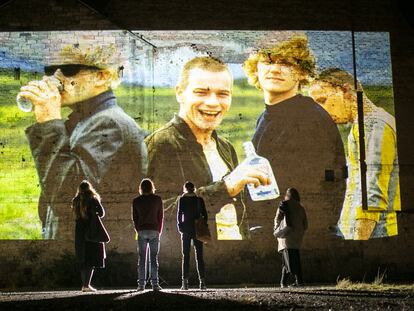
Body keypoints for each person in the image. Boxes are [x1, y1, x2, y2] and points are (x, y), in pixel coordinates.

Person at [18, 44, 147, 241]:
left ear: (102, 76)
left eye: (69, 69)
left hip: (91, 254)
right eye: (50, 70)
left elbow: (68, 198)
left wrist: (49, 121)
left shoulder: (108, 123)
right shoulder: (86, 120)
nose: (56, 77)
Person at [145, 56, 269, 247]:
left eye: (222, 94)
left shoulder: (225, 147)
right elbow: (154, 217)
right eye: (201, 92)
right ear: (180, 93)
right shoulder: (160, 144)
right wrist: (224, 189)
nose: (213, 103)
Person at [243, 35, 346, 237]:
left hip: (301, 241)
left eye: (286, 63)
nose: (275, 69)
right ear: (256, 69)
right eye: (268, 61)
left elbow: (321, 196)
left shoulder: (310, 118)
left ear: (301, 72)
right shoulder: (266, 116)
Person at [309, 68, 401, 240]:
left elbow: (371, 194)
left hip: (376, 236)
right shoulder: (365, 124)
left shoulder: (374, 125)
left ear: (346, 90)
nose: (320, 110)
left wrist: (358, 246)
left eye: (322, 100)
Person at [72, 180, 108, 292]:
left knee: (84, 261)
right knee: (91, 261)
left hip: (80, 233)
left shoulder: (75, 201)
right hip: (92, 233)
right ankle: (87, 285)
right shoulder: (93, 199)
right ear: (89, 188)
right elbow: (102, 213)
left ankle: (84, 285)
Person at [132, 178, 164, 291]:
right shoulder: (157, 199)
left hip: (141, 230)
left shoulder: (136, 201)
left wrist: (138, 230)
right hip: (154, 230)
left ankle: (141, 285)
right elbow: (160, 216)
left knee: (142, 259)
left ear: (141, 188)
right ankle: (155, 284)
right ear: (152, 187)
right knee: (153, 259)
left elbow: (134, 218)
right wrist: (159, 230)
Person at [177, 181, 208, 290]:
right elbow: (205, 215)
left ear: (185, 189)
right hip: (197, 229)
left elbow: (180, 214)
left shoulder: (182, 199)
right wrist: (203, 225)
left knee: (186, 256)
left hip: (186, 229)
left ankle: (185, 283)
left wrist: (180, 227)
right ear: (194, 189)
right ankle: (202, 283)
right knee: (199, 256)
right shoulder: (199, 200)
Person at [274, 188, 308, 288]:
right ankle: (284, 282)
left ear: (287, 195)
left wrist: (276, 230)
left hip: (285, 236)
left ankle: (299, 281)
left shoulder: (284, 204)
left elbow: (277, 219)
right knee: (290, 259)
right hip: (297, 238)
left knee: (290, 260)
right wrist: (299, 232)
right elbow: (305, 225)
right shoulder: (301, 208)